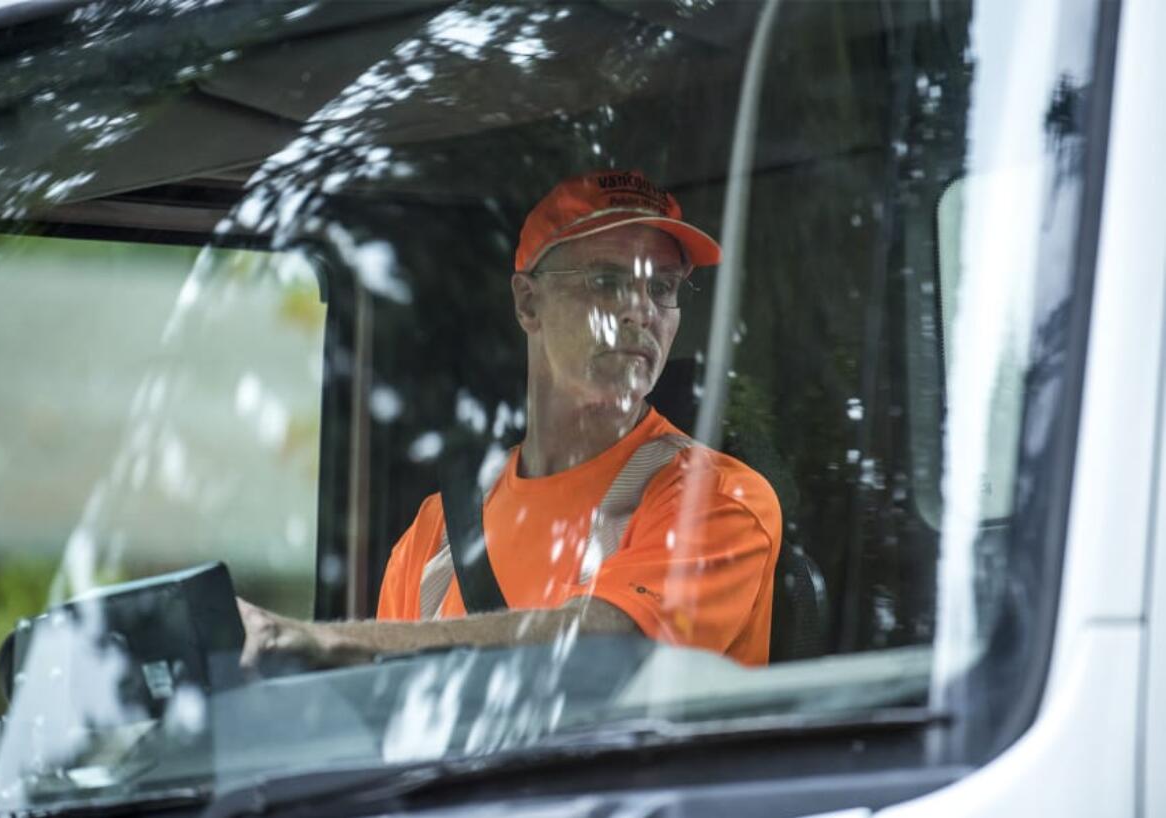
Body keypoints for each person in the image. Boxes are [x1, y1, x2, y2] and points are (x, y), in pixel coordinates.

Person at [238, 170, 782, 670]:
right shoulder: (440, 532)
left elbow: (615, 656)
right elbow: (386, 709)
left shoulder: (716, 500)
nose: (640, 310)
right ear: (528, 304)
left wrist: (321, 641)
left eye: (661, 287)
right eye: (608, 282)